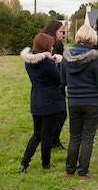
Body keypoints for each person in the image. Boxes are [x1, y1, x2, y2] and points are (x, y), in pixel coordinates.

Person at [60, 25, 98, 180]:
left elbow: (63, 81)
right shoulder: (94, 57)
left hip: (73, 101)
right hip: (92, 102)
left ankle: (69, 170)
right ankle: (83, 172)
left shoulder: (66, 57)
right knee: (88, 137)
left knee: (74, 136)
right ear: (92, 39)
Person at [18, 33, 65, 172]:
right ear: (45, 46)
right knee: (47, 136)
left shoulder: (29, 61)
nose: (52, 48)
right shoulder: (48, 63)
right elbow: (60, 79)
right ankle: (46, 164)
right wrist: (60, 63)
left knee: (36, 134)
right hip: (51, 103)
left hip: (37, 100)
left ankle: (24, 164)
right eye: (51, 45)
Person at [42, 20, 67, 150]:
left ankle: (55, 140)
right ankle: (51, 140)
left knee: (62, 114)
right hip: (51, 84)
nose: (62, 34)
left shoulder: (60, 45)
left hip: (60, 82)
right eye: (60, 32)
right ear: (53, 31)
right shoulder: (45, 45)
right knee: (56, 115)